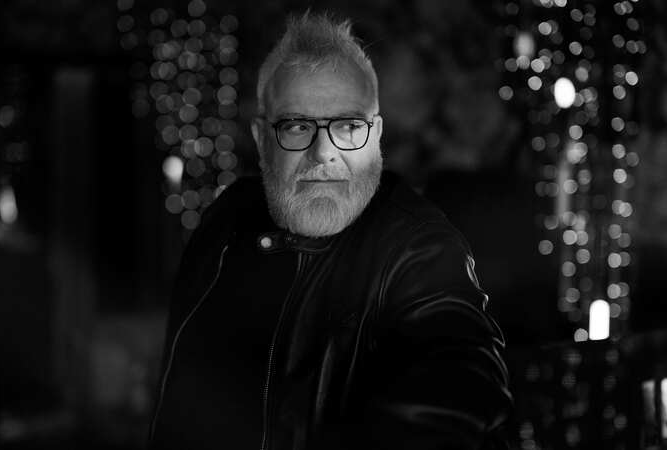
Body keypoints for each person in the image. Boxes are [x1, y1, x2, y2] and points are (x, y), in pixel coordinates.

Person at [149, 11, 512, 450]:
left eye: (348, 126)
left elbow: (461, 379)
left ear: (376, 136)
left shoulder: (419, 248)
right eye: (297, 126)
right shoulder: (225, 221)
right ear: (262, 139)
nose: (324, 152)